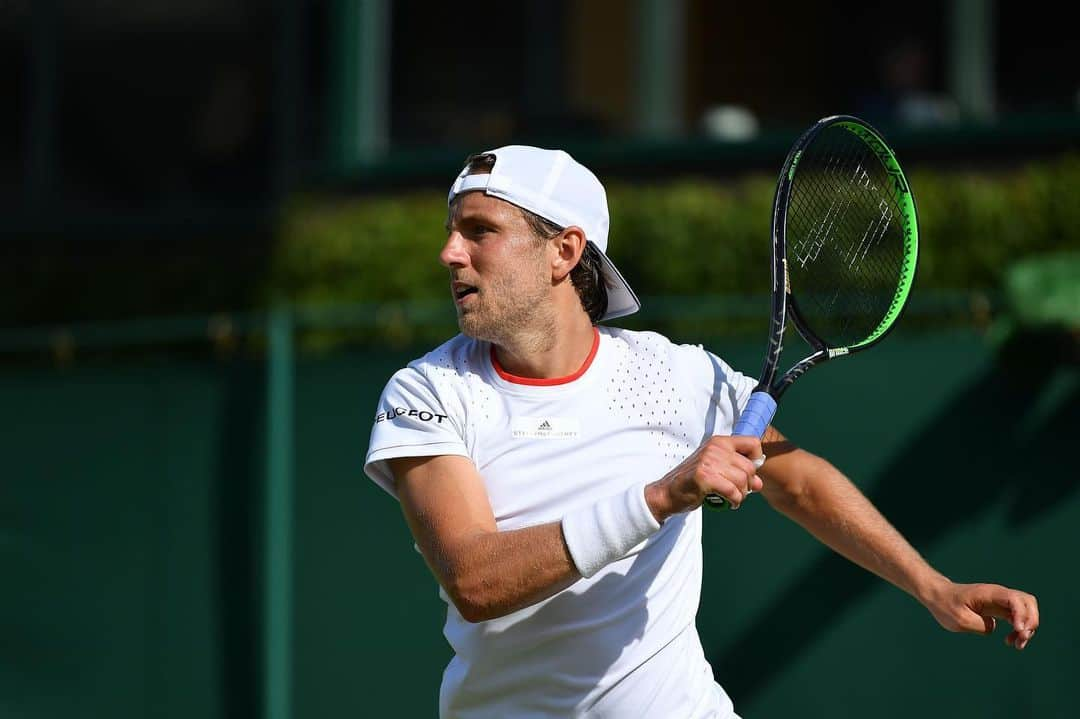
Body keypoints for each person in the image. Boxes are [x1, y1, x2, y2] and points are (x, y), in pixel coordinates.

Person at [364, 146, 1039, 718]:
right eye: (453, 230)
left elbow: (798, 480)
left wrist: (933, 585)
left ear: (564, 250)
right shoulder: (426, 392)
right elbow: (476, 582)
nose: (449, 251)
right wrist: (660, 495)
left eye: (479, 229)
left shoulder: (677, 373)